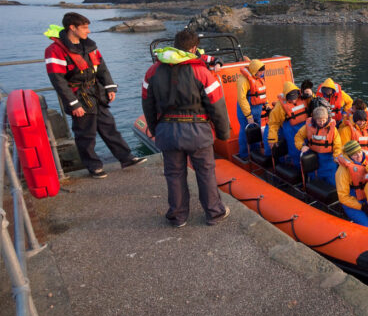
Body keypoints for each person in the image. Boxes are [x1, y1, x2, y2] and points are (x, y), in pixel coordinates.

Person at [141, 28, 231, 227]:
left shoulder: (152, 72)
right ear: (194, 48)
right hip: (197, 132)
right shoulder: (202, 72)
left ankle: (178, 216)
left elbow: (147, 103)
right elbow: (217, 106)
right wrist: (224, 133)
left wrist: (156, 129)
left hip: (167, 131)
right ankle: (214, 213)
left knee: (174, 174)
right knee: (206, 172)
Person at [44, 12, 145, 179]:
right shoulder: (55, 51)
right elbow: (58, 81)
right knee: (85, 134)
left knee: (110, 127)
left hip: (97, 93)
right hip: (79, 96)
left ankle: (126, 158)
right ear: (72, 28)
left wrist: (110, 87)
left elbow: (102, 68)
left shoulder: (90, 46)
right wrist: (74, 104)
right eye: (84, 27)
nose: (88, 31)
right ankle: (94, 167)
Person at [295, 106, 342, 186]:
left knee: (331, 179)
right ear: (314, 119)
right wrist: (302, 146)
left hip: (328, 158)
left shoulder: (333, 129)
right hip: (313, 157)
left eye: (324, 120)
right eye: (319, 121)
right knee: (314, 178)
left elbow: (338, 144)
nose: (322, 123)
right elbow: (298, 137)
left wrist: (336, 156)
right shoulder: (308, 126)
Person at [335, 140, 368, 227]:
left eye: (359, 152)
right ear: (349, 156)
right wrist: (362, 206)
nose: (358, 156)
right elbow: (343, 197)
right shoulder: (342, 172)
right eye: (354, 154)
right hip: (353, 200)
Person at [267, 81, 308, 167]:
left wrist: (310, 93)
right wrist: (272, 139)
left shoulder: (304, 98)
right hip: (291, 131)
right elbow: (273, 123)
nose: (293, 100)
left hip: (306, 128)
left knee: (308, 151)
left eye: (295, 97)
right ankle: (298, 171)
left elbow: (313, 101)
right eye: (290, 98)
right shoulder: (279, 106)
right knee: (295, 152)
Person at [235, 59, 270, 160]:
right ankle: (244, 155)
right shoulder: (243, 80)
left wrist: (266, 103)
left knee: (256, 131)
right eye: (260, 71)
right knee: (245, 132)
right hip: (245, 110)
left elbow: (262, 93)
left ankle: (256, 152)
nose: (262, 73)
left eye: (263, 71)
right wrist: (248, 115)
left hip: (257, 109)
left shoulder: (259, 78)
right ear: (255, 70)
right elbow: (242, 99)